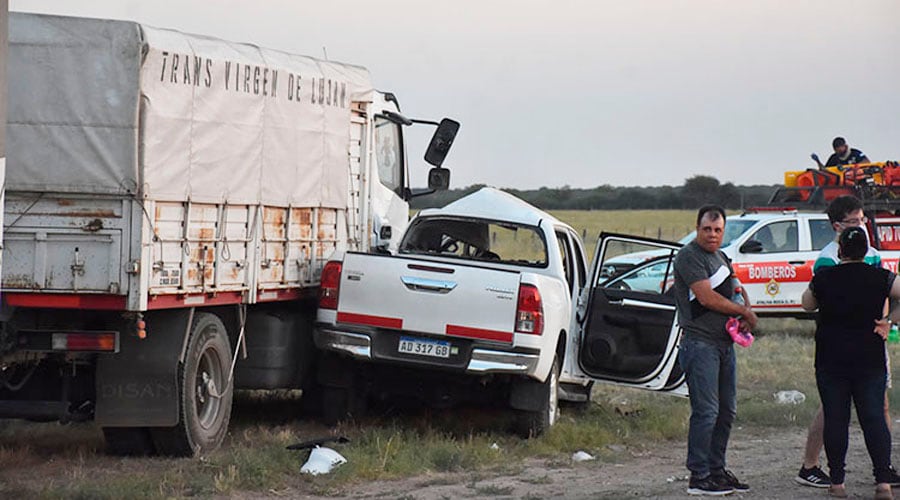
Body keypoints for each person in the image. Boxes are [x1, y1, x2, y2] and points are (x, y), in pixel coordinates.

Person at [796, 195, 900, 489]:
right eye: (855, 221)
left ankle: (878, 470)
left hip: (859, 344)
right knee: (835, 410)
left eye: (862, 219)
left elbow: (808, 302)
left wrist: (887, 321)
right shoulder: (827, 260)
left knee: (876, 407)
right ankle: (811, 464)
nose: (861, 225)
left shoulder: (873, 254)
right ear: (837, 227)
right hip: (853, 348)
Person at [673, 205, 758, 496]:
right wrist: (744, 312)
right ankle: (699, 476)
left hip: (723, 343)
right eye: (707, 229)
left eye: (717, 230)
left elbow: (733, 290)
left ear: (723, 231)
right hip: (699, 343)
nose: (712, 234)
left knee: (727, 411)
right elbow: (706, 298)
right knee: (706, 412)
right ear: (697, 228)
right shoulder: (689, 256)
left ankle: (717, 470)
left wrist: (743, 315)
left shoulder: (721, 257)